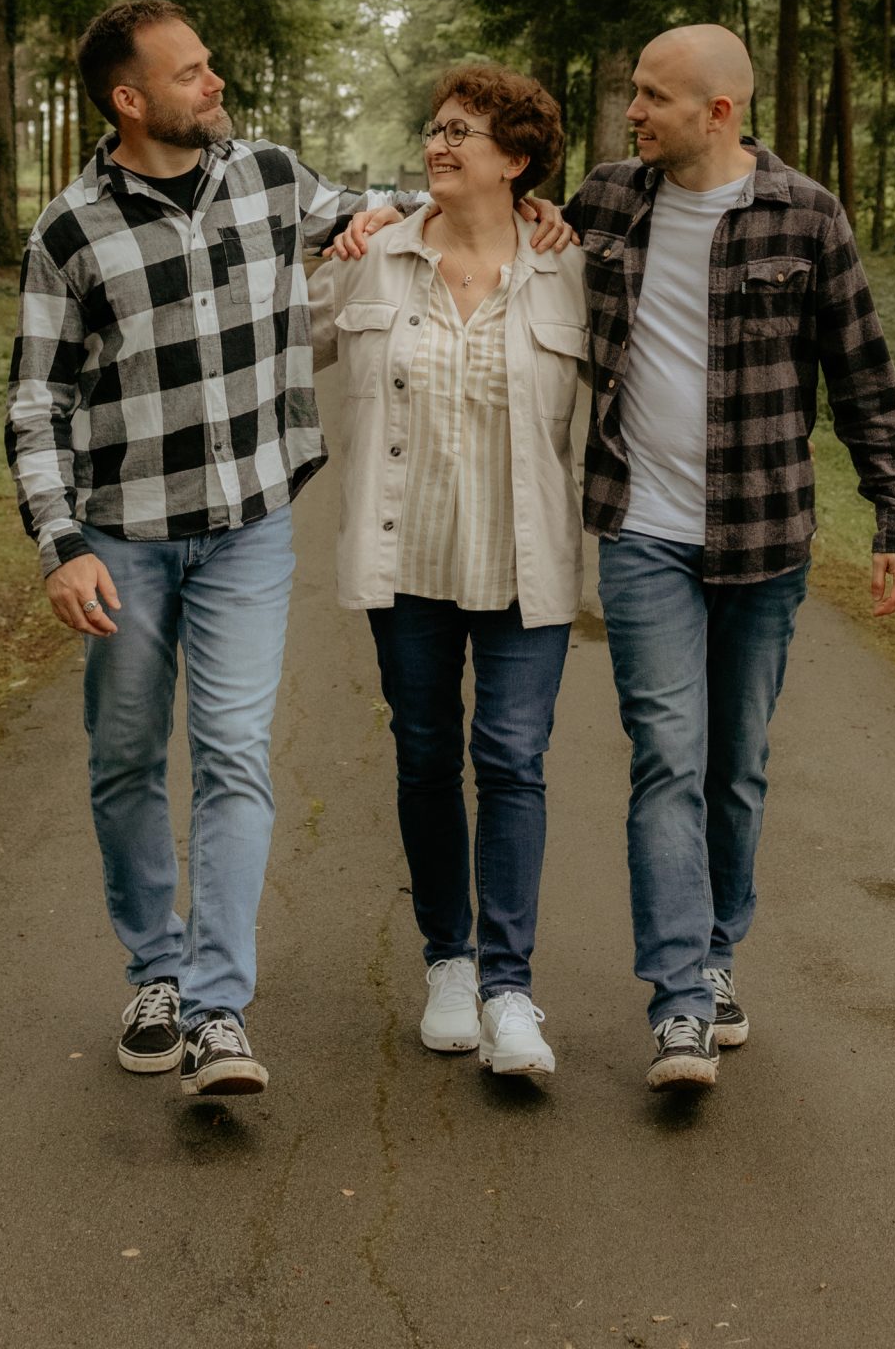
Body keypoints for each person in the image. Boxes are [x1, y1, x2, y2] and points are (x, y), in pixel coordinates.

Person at [5, 0, 568, 1102]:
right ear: (130, 99)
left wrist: (527, 205)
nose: (215, 82)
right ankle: (153, 970)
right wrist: (60, 542)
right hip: (123, 533)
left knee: (232, 754)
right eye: (192, 72)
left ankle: (218, 1007)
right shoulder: (69, 229)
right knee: (125, 756)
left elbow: (399, 210)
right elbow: (36, 400)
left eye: (211, 64)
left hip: (252, 526)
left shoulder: (269, 176)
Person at [562, 23, 895, 1092]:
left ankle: (718, 955)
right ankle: (679, 1001)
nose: (633, 111)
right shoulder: (608, 200)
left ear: (718, 111)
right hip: (642, 531)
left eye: (652, 95)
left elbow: (863, 378)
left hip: (766, 537)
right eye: (633, 90)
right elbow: (503, 241)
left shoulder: (806, 216)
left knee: (737, 764)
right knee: (668, 755)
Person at [312, 67, 588, 1080]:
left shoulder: (569, 269)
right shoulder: (374, 258)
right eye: (434, 127)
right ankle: (448, 962)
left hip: (526, 564)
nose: (439, 143)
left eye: (462, 131)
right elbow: (271, 350)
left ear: (516, 159)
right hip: (407, 560)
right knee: (427, 758)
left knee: (513, 759)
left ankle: (511, 987)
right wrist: (333, 237)